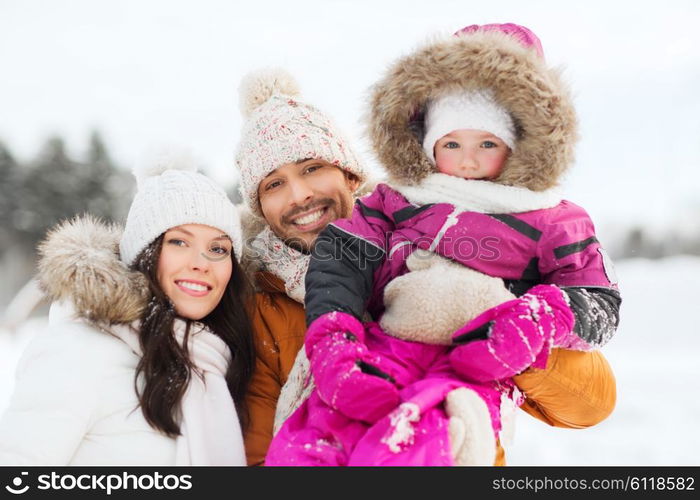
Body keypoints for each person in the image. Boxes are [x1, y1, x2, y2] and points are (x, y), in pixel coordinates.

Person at [266, 24, 621, 465]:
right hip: (389, 343)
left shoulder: (552, 217)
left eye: (487, 143)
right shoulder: (399, 199)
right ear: (428, 144)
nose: (467, 160)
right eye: (451, 143)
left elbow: (597, 299)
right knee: (321, 436)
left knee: (432, 442)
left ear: (522, 145)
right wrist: (332, 338)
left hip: (479, 360)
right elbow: (343, 256)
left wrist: (537, 322)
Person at [0, 160, 255, 465]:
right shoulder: (79, 350)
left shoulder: (213, 362)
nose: (202, 262)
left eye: (218, 249)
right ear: (142, 253)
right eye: (179, 241)